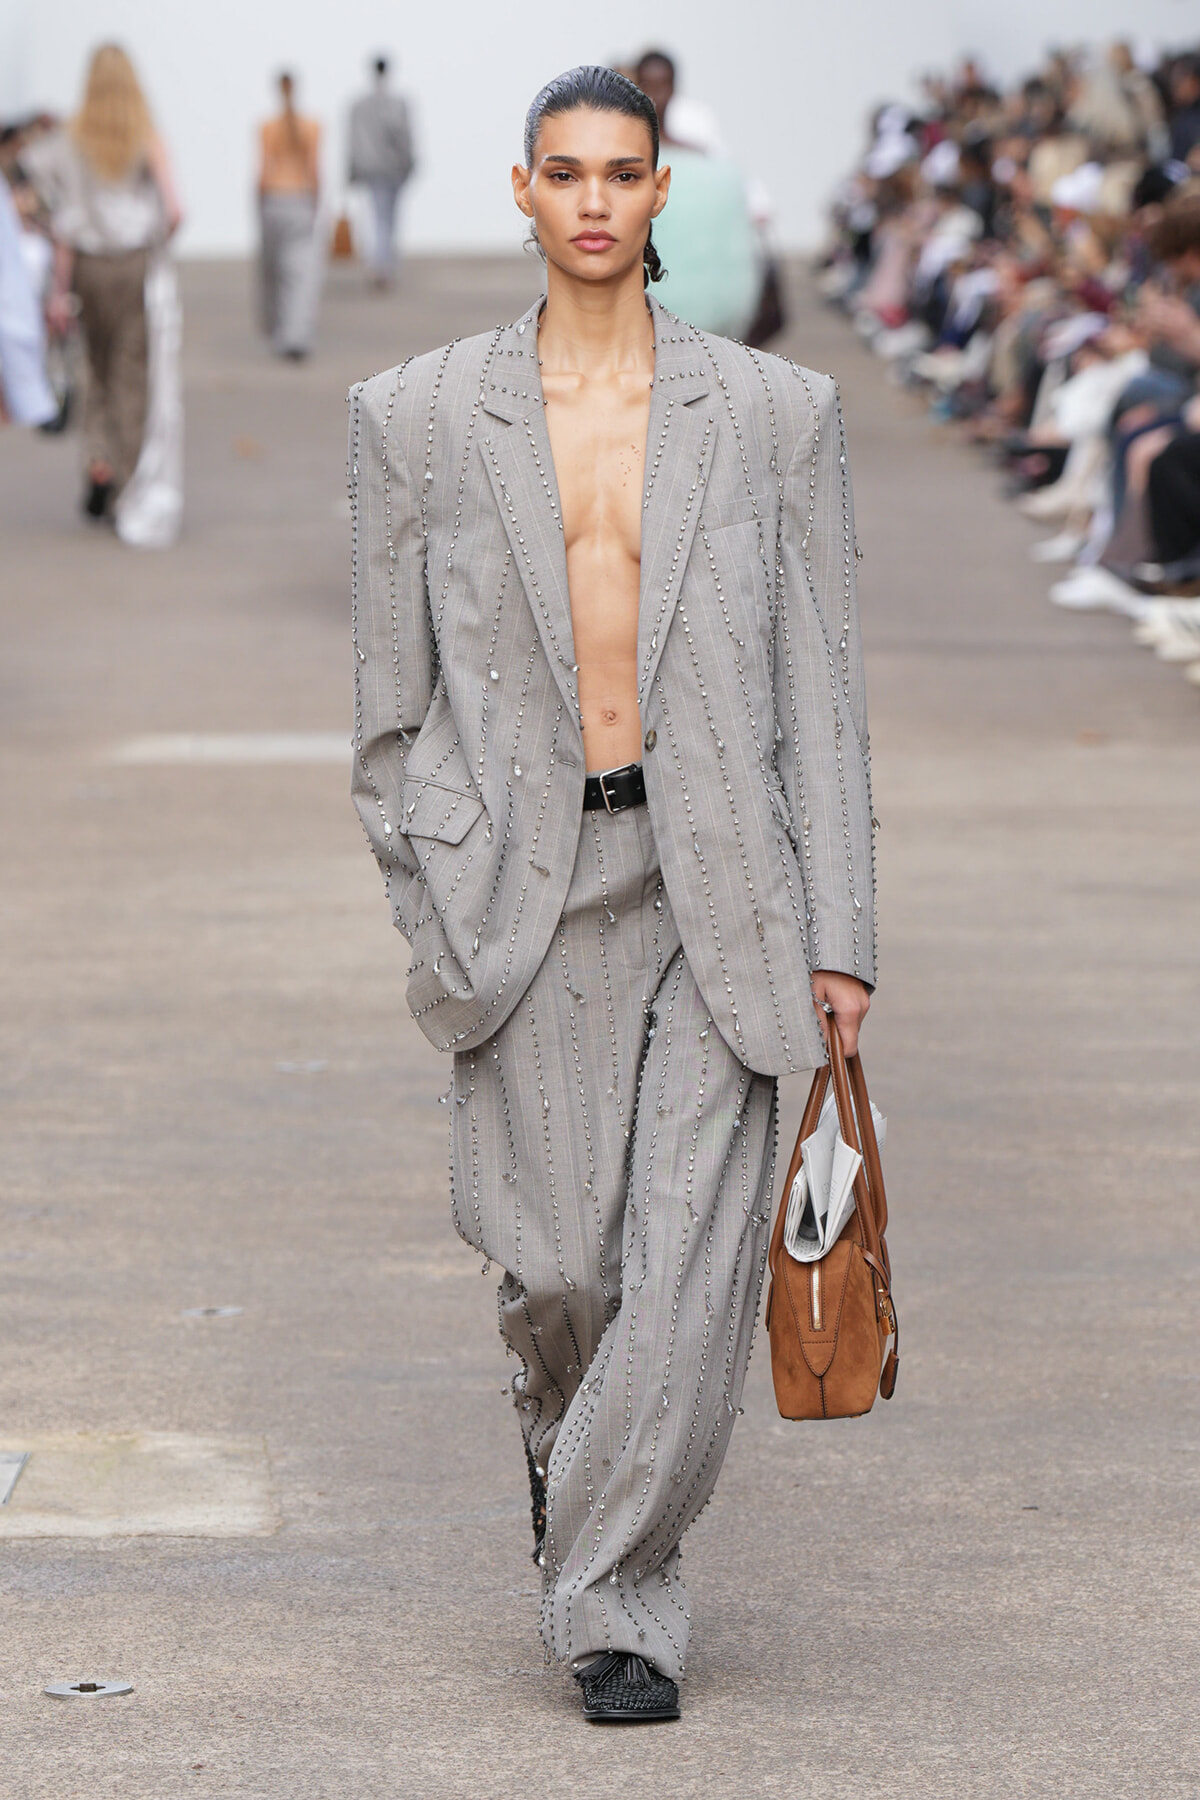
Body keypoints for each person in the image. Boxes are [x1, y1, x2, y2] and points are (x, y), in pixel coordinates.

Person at [349, 65, 873, 1724]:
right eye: (563, 173)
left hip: (726, 884)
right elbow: (387, 715)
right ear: (523, 190)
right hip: (523, 885)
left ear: (660, 193)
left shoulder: (777, 415)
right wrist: (431, 899)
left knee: (684, 1271)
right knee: (566, 1271)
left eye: (620, 173)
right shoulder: (416, 416)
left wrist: (843, 935)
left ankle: (618, 1607)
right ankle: (578, 1468)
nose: (592, 200)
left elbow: (823, 694)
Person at [24, 44, 183, 539]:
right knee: (130, 374)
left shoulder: (73, 138)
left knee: (94, 367)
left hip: (88, 267)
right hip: (133, 264)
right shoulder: (143, 134)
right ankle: (127, 485)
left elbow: (58, 216)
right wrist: (157, 242)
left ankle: (97, 457)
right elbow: (175, 209)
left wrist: (58, 292)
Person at [632, 49, 760, 340]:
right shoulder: (616, 163)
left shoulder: (702, 165)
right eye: (649, 85)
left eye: (663, 85)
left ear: (674, 88)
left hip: (690, 315)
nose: (656, 96)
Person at [257, 72, 321, 359]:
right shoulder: (311, 126)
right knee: (299, 274)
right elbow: (314, 169)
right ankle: (296, 335)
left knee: (275, 272)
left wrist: (258, 207)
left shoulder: (267, 127)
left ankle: (280, 332)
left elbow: (262, 171)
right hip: (299, 199)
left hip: (273, 200)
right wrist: (314, 203)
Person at [347, 55, 415, 288]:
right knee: (387, 218)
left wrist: (352, 170)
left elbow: (353, 141)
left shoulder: (360, 105)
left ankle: (380, 265)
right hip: (391, 168)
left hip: (373, 169)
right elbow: (404, 136)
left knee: (379, 217)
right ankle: (383, 266)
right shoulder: (397, 103)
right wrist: (408, 162)